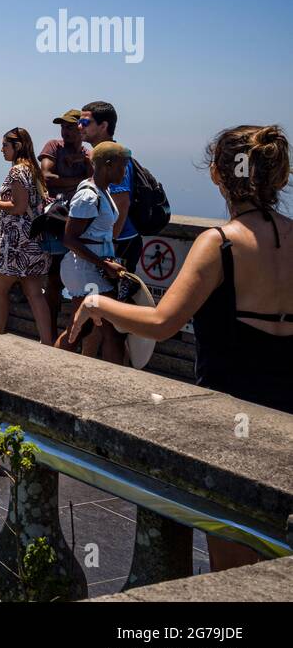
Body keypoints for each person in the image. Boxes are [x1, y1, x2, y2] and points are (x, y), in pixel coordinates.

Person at [74, 125, 291, 571]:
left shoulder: (221, 243)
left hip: (233, 418)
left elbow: (161, 323)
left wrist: (99, 303)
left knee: (234, 561)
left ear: (216, 174)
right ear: (279, 178)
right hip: (288, 412)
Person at [0, 127, 54, 344]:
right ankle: (47, 342)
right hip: (34, 241)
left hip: (17, 242)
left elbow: (18, 207)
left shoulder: (17, 171)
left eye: (5, 145)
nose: (1, 150)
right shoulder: (34, 170)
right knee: (34, 292)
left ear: (17, 146)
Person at [55, 141, 128, 361]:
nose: (124, 171)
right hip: (84, 269)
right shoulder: (88, 197)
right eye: (121, 166)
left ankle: (51, 364)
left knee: (82, 328)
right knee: (109, 330)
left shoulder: (102, 192)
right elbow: (69, 239)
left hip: (93, 267)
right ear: (107, 165)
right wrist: (104, 264)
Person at [39, 109, 94, 332]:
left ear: (81, 129)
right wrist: (78, 180)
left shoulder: (87, 152)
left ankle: (76, 331)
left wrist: (84, 162)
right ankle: (50, 332)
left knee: (80, 280)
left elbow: (96, 180)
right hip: (56, 219)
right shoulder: (53, 146)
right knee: (53, 277)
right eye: (63, 127)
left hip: (81, 221)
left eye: (70, 127)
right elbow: (45, 176)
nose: (65, 131)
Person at [80, 101, 140, 269]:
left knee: (115, 295)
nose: (79, 126)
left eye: (85, 122)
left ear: (103, 125)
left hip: (120, 242)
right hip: (110, 242)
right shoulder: (100, 156)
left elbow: (121, 202)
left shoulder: (115, 157)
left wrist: (109, 246)